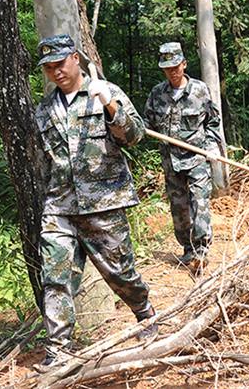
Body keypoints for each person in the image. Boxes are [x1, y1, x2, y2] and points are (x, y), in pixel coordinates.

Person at [34, 34, 156, 370]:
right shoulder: (44, 110)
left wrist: (110, 107)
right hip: (60, 207)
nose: (56, 72)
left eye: (60, 63)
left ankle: (145, 314)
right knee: (55, 277)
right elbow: (45, 161)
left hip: (103, 203)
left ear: (75, 58)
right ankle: (59, 350)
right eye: (48, 67)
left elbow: (135, 137)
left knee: (121, 274)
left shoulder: (107, 92)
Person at [144, 42, 222, 272]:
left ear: (184, 64)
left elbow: (213, 121)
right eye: (168, 68)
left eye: (176, 67)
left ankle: (201, 251)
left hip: (196, 158)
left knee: (200, 203)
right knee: (179, 209)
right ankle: (188, 250)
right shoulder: (157, 94)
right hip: (171, 161)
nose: (173, 72)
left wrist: (212, 147)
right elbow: (146, 122)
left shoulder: (199, 90)